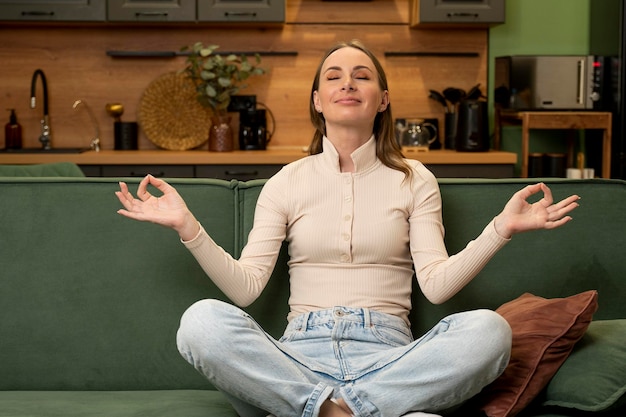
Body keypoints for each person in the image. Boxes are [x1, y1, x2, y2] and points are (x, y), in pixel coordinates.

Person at [115, 40, 580, 417]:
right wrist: (186, 224)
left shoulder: (415, 180)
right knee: (201, 323)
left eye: (362, 76)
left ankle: (322, 411)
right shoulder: (286, 182)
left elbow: (437, 286)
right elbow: (245, 288)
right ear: (317, 101)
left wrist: (502, 227)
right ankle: (355, 411)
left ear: (383, 99)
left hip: (387, 355)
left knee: (490, 332)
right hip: (296, 358)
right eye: (333, 77)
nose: (347, 84)